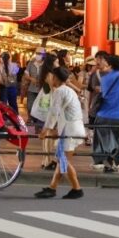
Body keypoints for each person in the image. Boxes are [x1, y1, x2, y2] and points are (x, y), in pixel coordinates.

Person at [35, 67, 85, 199]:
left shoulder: (60, 91)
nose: (49, 79)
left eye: (51, 77)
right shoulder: (70, 91)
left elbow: (53, 113)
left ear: (55, 78)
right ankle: (52, 187)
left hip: (69, 129)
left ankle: (77, 188)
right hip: (74, 127)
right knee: (61, 159)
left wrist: (45, 130)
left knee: (63, 160)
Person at [23, 48, 45, 117]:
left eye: (39, 54)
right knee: (30, 106)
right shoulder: (31, 63)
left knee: (41, 107)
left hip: (42, 89)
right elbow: (26, 74)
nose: (37, 55)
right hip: (32, 88)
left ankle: (37, 121)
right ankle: (30, 119)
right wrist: (31, 78)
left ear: (43, 55)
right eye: (36, 53)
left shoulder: (45, 64)